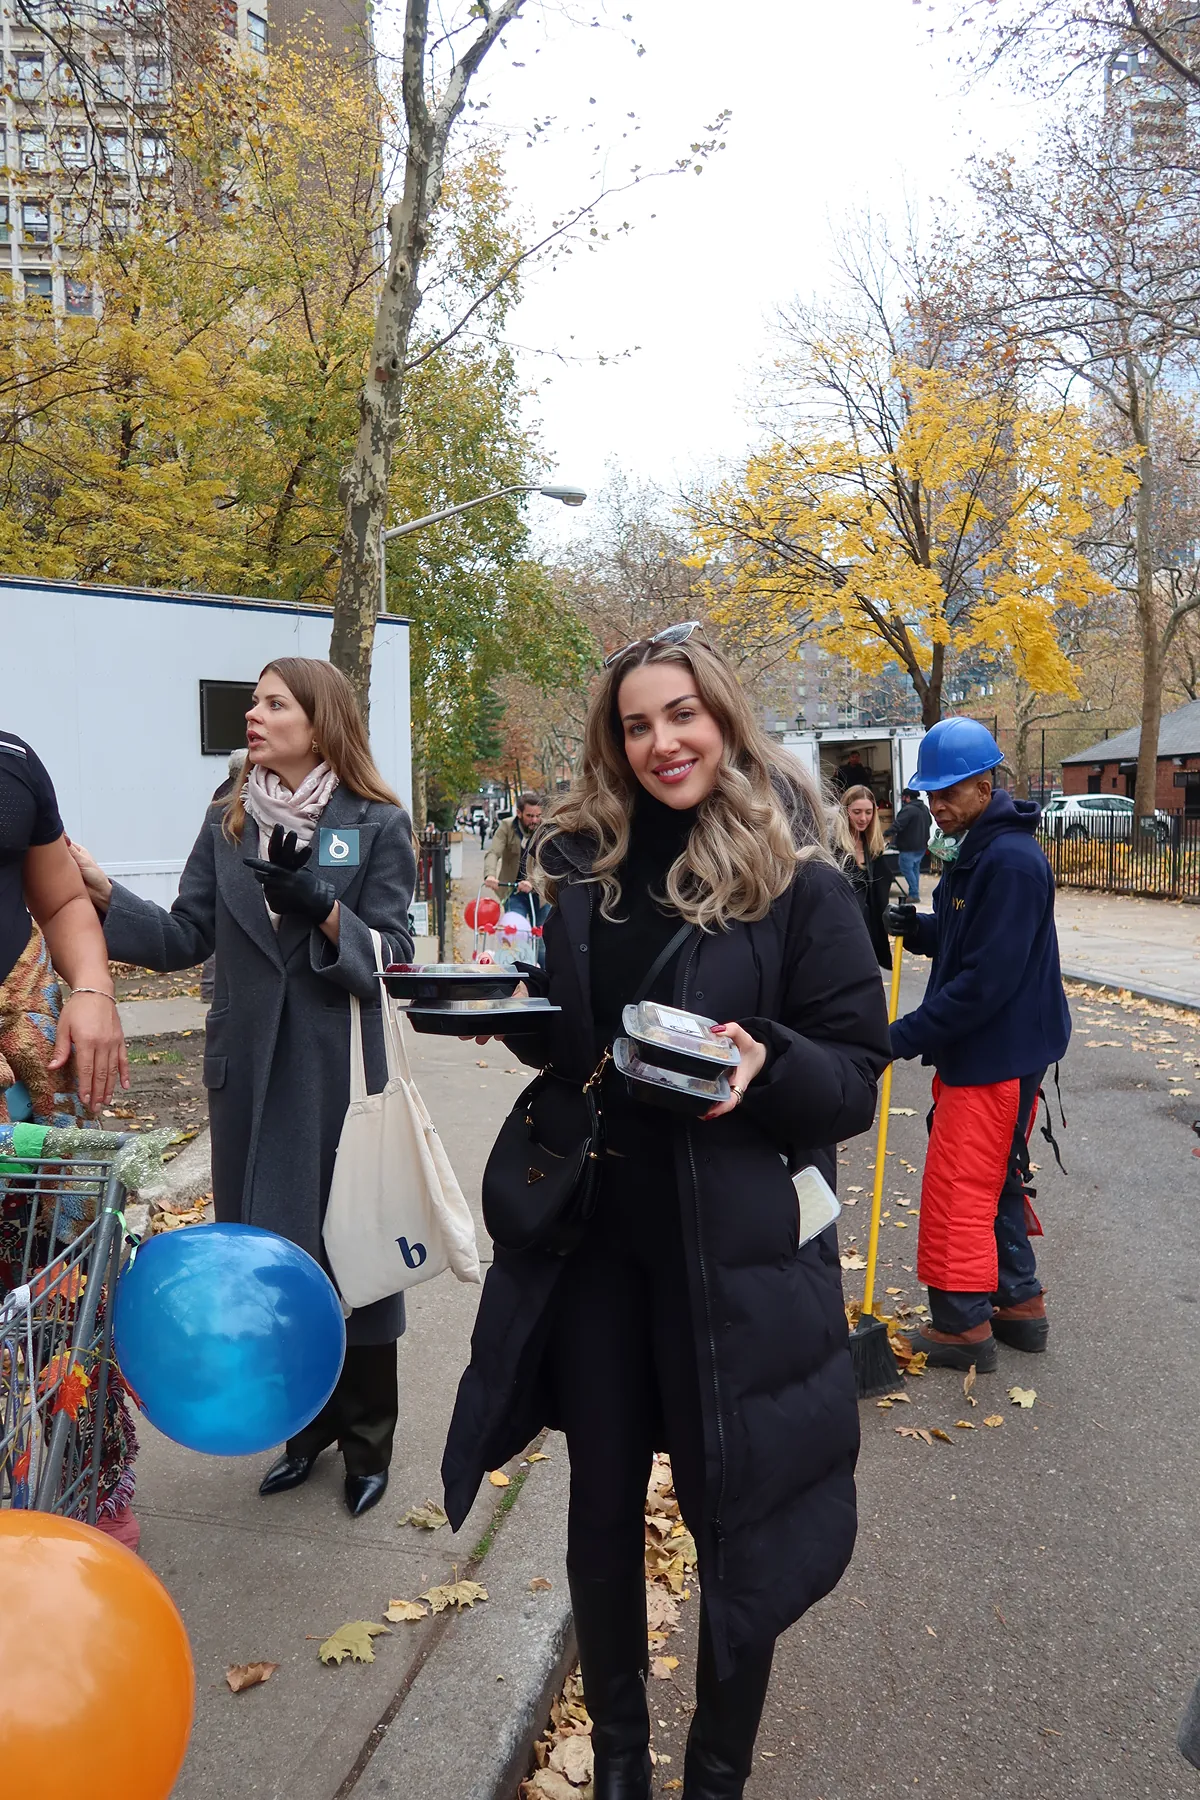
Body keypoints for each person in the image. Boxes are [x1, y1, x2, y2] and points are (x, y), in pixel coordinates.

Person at [442, 628, 891, 1800]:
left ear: (724, 717)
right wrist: (502, 1016)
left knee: (734, 1520)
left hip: (732, 1263)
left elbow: (854, 1071)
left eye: (682, 715)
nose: (662, 744)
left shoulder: (800, 880)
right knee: (597, 1507)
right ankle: (623, 1772)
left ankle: (714, 1778)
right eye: (638, 724)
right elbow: (580, 1037)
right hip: (599, 1247)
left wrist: (766, 1061)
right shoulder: (586, 863)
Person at [68, 659, 416, 1518]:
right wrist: (106, 896)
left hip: (338, 1078)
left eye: (271, 703)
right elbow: (187, 933)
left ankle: (369, 1439)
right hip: (248, 1081)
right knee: (269, 1262)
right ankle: (303, 1429)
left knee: (352, 1256)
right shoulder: (227, 821)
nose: (252, 717)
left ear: (318, 719)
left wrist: (328, 913)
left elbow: (397, 955)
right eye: (253, 704)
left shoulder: (375, 822)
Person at [884, 718, 1071, 1372]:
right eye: (929, 793)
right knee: (991, 1177)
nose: (935, 805)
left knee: (964, 1179)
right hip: (998, 1044)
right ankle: (1018, 1302)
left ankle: (963, 1324)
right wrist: (923, 928)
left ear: (984, 784)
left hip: (999, 1049)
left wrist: (897, 1038)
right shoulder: (982, 849)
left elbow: (986, 983)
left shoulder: (1011, 862)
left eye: (948, 792)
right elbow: (972, 938)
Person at [0, 730, 136, 1543]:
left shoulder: (13, 761)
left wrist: (90, 988)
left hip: (36, 1065)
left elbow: (57, 900)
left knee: (63, 1282)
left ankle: (90, 1484)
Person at [831, 784, 896, 970]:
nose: (863, 818)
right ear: (845, 812)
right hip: (842, 931)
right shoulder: (833, 846)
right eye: (857, 812)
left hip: (869, 932)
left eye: (868, 812)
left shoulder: (873, 847)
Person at [888, 785, 931, 899]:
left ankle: (914, 894)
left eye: (903, 797)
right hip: (922, 845)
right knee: (915, 869)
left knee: (906, 869)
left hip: (909, 846)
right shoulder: (924, 808)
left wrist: (884, 834)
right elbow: (930, 822)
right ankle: (915, 891)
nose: (902, 800)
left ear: (907, 797)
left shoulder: (908, 809)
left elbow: (897, 825)